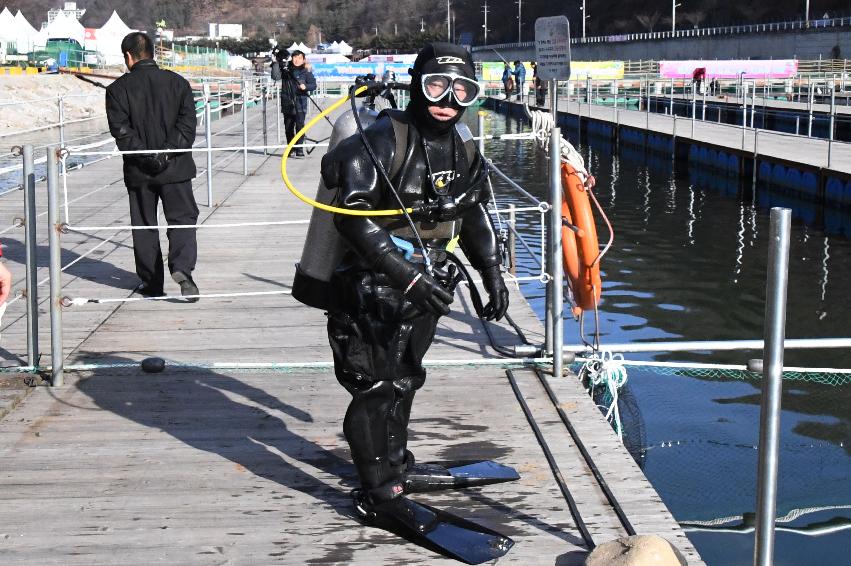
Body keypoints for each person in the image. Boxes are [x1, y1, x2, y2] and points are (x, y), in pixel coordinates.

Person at [318, 43, 511, 531]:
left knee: (406, 377)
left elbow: (472, 211)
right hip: (372, 288)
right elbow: (352, 219)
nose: (448, 98)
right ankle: (378, 491)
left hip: (427, 282)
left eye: (462, 88)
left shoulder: (464, 145)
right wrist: (404, 275)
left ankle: (396, 467)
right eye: (436, 85)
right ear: (415, 85)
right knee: (375, 386)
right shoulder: (379, 140)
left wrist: (491, 272)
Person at [105, 32, 199, 301]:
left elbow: (122, 133)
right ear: (152, 54)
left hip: (139, 170)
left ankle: (152, 282)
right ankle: (182, 270)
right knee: (182, 220)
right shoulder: (178, 83)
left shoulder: (117, 90)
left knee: (144, 225)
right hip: (177, 168)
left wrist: (148, 156)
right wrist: (166, 154)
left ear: (128, 56)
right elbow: (187, 128)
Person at [273, 48, 316, 157]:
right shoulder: (286, 70)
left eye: (299, 58)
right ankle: (291, 148)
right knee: (288, 127)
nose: (297, 60)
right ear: (291, 59)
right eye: (295, 57)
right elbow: (275, 76)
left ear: (304, 60)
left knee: (300, 126)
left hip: (301, 103)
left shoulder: (306, 72)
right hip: (287, 102)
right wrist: (276, 62)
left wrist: (305, 86)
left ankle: (299, 149)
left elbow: (313, 85)